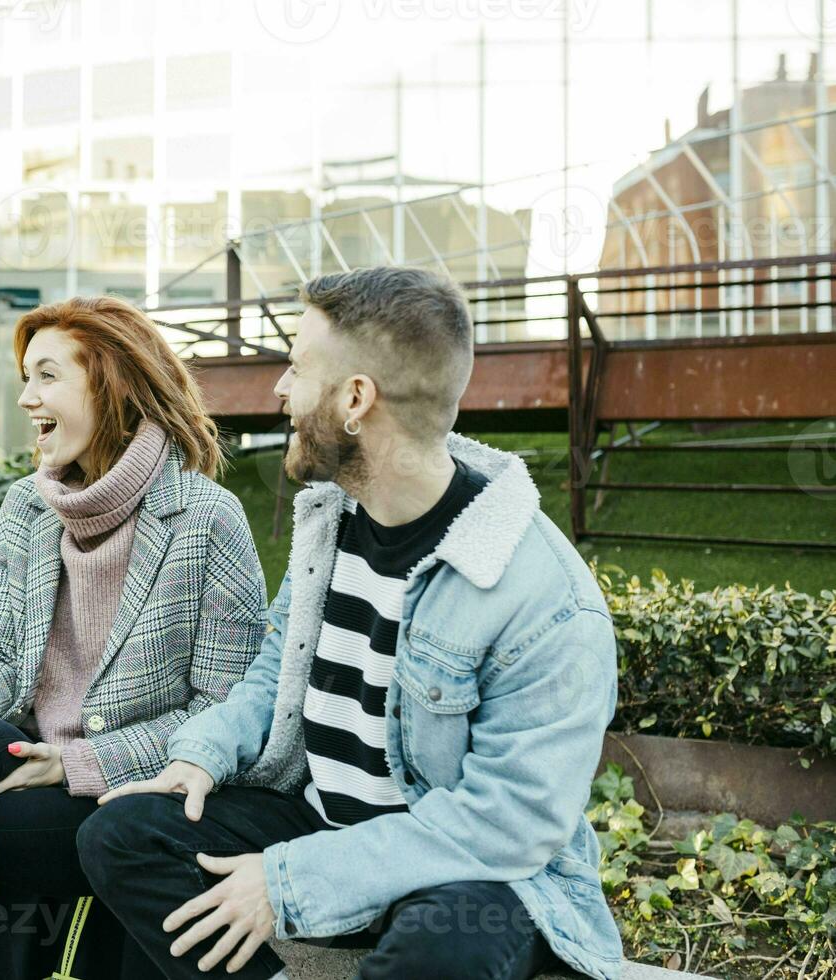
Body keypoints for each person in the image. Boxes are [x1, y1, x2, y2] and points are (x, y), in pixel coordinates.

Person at [79, 267, 622, 980]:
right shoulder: (333, 518)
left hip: (458, 867)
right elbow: (279, 668)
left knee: (449, 945)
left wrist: (289, 882)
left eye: (298, 368)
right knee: (120, 833)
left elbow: (507, 824)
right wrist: (201, 753)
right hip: (322, 821)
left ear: (356, 399)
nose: (279, 388)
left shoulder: (544, 597)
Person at [0, 296, 268, 979]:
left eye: (47, 376)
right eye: (25, 379)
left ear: (110, 381)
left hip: (134, 792)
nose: (28, 399)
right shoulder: (27, 507)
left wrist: (80, 765)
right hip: (29, 757)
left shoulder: (208, 519)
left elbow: (225, 709)